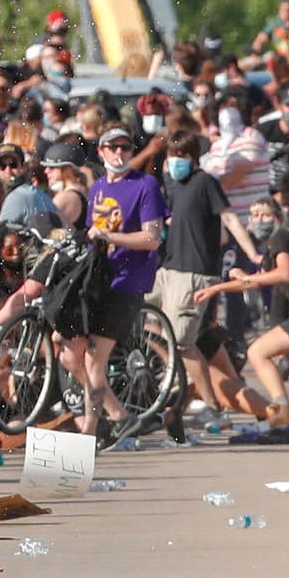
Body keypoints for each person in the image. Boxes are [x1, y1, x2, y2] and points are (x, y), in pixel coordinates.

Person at [197, 197, 289, 428]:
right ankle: (283, 409)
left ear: (278, 218)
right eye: (254, 216)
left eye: (265, 215)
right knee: (258, 352)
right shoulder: (277, 245)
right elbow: (252, 283)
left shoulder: (280, 237)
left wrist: (248, 277)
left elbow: (284, 275)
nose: (259, 220)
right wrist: (217, 288)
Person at [66, 128, 168, 442]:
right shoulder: (96, 187)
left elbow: (152, 239)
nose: (119, 153)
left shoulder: (145, 185)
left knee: (95, 357)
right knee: (69, 352)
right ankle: (120, 415)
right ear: (102, 152)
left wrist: (110, 237)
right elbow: (90, 235)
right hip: (98, 279)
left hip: (128, 282)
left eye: (125, 147)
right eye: (112, 147)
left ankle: (90, 432)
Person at [152, 130, 257, 430]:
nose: (175, 162)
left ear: (193, 159)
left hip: (195, 273)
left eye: (181, 157)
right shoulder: (173, 186)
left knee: (184, 342)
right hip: (167, 271)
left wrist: (251, 254)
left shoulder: (205, 183)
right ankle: (170, 382)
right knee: (133, 313)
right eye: (172, 157)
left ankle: (214, 408)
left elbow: (230, 219)